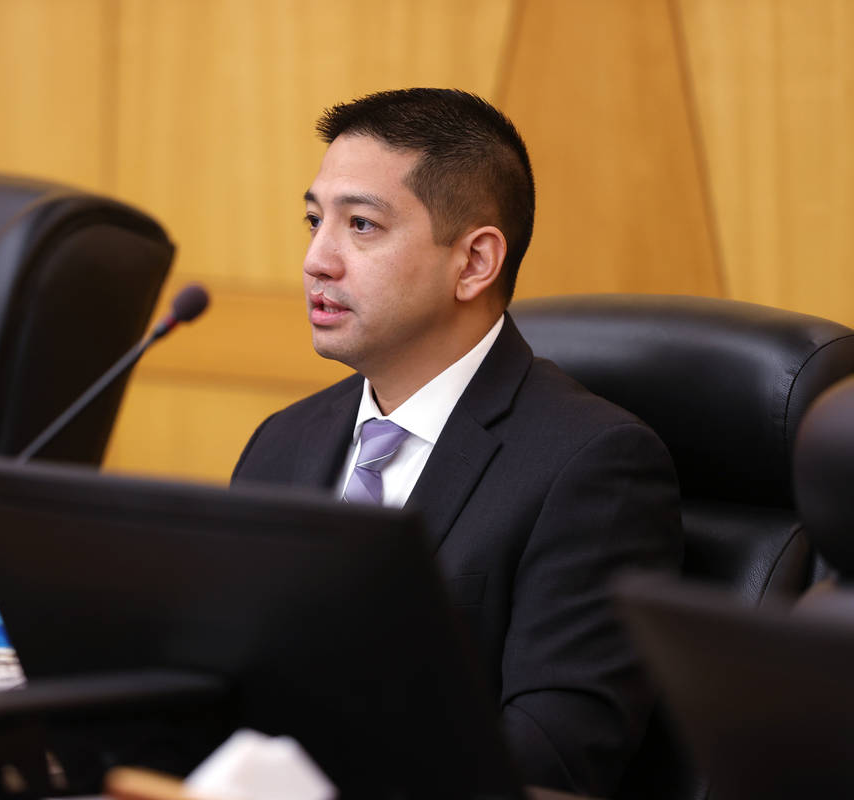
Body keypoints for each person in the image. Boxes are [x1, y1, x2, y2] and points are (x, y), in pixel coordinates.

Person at [231, 88, 683, 796]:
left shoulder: (594, 465)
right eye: (315, 221)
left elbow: (558, 751)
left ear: (474, 262)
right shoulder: (282, 444)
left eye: (362, 226)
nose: (317, 260)